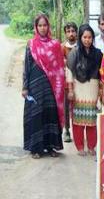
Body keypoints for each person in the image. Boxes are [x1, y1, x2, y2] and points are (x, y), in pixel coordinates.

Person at [22, 14, 64, 159]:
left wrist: (60, 87)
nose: (42, 28)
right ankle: (36, 149)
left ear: (48, 26)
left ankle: (51, 146)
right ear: (36, 27)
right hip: (35, 85)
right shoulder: (31, 44)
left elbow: (59, 67)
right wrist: (25, 87)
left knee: (50, 114)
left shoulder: (55, 44)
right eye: (40, 25)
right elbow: (26, 66)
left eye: (45, 25)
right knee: (36, 115)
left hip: (51, 87)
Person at [67, 24, 103, 156]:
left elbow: (102, 74)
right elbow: (69, 72)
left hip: (92, 90)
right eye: (85, 37)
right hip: (78, 89)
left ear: (93, 38)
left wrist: (101, 92)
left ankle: (92, 146)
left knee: (92, 121)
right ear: (80, 38)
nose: (87, 40)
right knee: (78, 121)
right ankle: (80, 146)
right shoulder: (74, 53)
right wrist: (70, 90)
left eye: (90, 37)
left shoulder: (98, 54)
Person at [62, 22, 78, 143]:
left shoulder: (81, 46)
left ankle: (78, 130)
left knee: (78, 106)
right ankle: (66, 130)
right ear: (65, 33)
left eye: (73, 31)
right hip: (66, 82)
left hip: (79, 81)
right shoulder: (62, 47)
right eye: (68, 31)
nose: (71, 33)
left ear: (76, 32)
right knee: (66, 106)